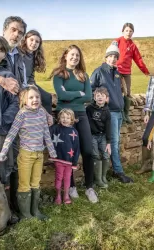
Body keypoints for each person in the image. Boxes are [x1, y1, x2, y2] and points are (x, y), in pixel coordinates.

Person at [0, 85, 57, 220]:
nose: (35, 99)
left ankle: (35, 211)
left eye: (37, 97)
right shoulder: (22, 114)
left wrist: (52, 151)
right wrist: (4, 151)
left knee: (35, 183)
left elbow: (46, 134)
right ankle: (26, 215)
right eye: (31, 97)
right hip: (26, 155)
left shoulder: (42, 113)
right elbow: (12, 134)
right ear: (24, 100)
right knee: (24, 184)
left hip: (39, 155)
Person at [51, 44, 98, 203]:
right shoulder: (59, 74)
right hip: (64, 115)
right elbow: (60, 94)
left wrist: (69, 96)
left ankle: (89, 187)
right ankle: (71, 186)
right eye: (71, 55)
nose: (74, 58)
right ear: (65, 56)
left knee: (87, 150)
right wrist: (78, 93)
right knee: (67, 152)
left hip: (80, 113)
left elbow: (88, 97)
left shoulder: (83, 75)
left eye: (77, 55)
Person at [90, 42, 133, 183]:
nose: (113, 59)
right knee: (113, 142)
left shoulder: (117, 73)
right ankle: (118, 171)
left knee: (117, 141)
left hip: (119, 112)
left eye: (115, 56)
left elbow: (119, 91)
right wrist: (101, 102)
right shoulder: (99, 72)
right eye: (111, 56)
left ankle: (114, 169)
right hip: (110, 112)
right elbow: (91, 90)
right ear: (106, 57)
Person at [0, 35, 19, 234]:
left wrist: (4, 121)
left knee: (2, 170)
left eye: (0, 50)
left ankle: (5, 213)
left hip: (0, 129)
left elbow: (15, 103)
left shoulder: (8, 75)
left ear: (5, 54)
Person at [114, 22, 150, 123]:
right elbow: (110, 53)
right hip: (116, 70)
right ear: (122, 31)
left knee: (127, 93)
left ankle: (126, 114)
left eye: (130, 31)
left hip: (126, 72)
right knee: (116, 92)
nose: (128, 33)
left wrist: (146, 71)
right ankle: (120, 113)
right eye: (127, 31)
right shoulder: (117, 41)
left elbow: (138, 60)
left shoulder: (133, 46)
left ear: (133, 33)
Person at [49, 109, 80, 205]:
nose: (65, 119)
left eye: (68, 117)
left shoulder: (74, 131)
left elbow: (76, 147)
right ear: (59, 118)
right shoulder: (55, 128)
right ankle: (58, 195)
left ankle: (66, 195)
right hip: (58, 158)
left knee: (67, 178)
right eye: (63, 117)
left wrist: (74, 162)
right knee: (59, 177)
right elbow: (47, 136)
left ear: (72, 119)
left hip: (69, 161)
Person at [19, 30, 52, 114]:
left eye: (37, 42)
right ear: (25, 39)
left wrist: (33, 86)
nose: (34, 43)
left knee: (47, 97)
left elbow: (31, 76)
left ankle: (46, 121)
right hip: (19, 83)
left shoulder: (34, 57)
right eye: (31, 40)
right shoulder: (19, 54)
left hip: (29, 84)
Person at [86, 87, 111, 188]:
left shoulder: (107, 111)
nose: (100, 97)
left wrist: (109, 142)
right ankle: (98, 180)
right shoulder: (89, 108)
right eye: (98, 96)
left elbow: (109, 127)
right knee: (95, 155)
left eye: (102, 96)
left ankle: (103, 176)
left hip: (103, 136)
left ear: (106, 98)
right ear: (94, 97)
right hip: (92, 136)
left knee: (106, 155)